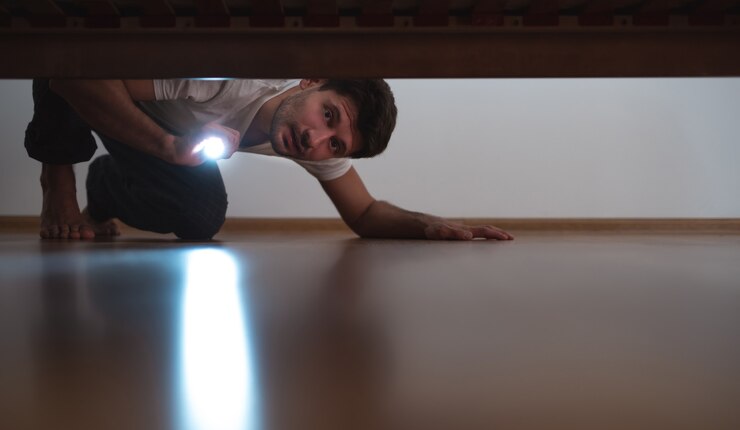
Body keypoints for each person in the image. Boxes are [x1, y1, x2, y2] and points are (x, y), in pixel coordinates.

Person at [25, 78, 514, 242]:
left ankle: (106, 188)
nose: (316, 138)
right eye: (328, 114)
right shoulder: (225, 80)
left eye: (336, 145)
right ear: (309, 81)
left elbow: (364, 212)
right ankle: (60, 184)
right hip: (100, 85)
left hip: (159, 128)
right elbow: (76, 74)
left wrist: (429, 224)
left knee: (201, 217)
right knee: (64, 53)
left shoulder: (313, 139)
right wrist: (168, 148)